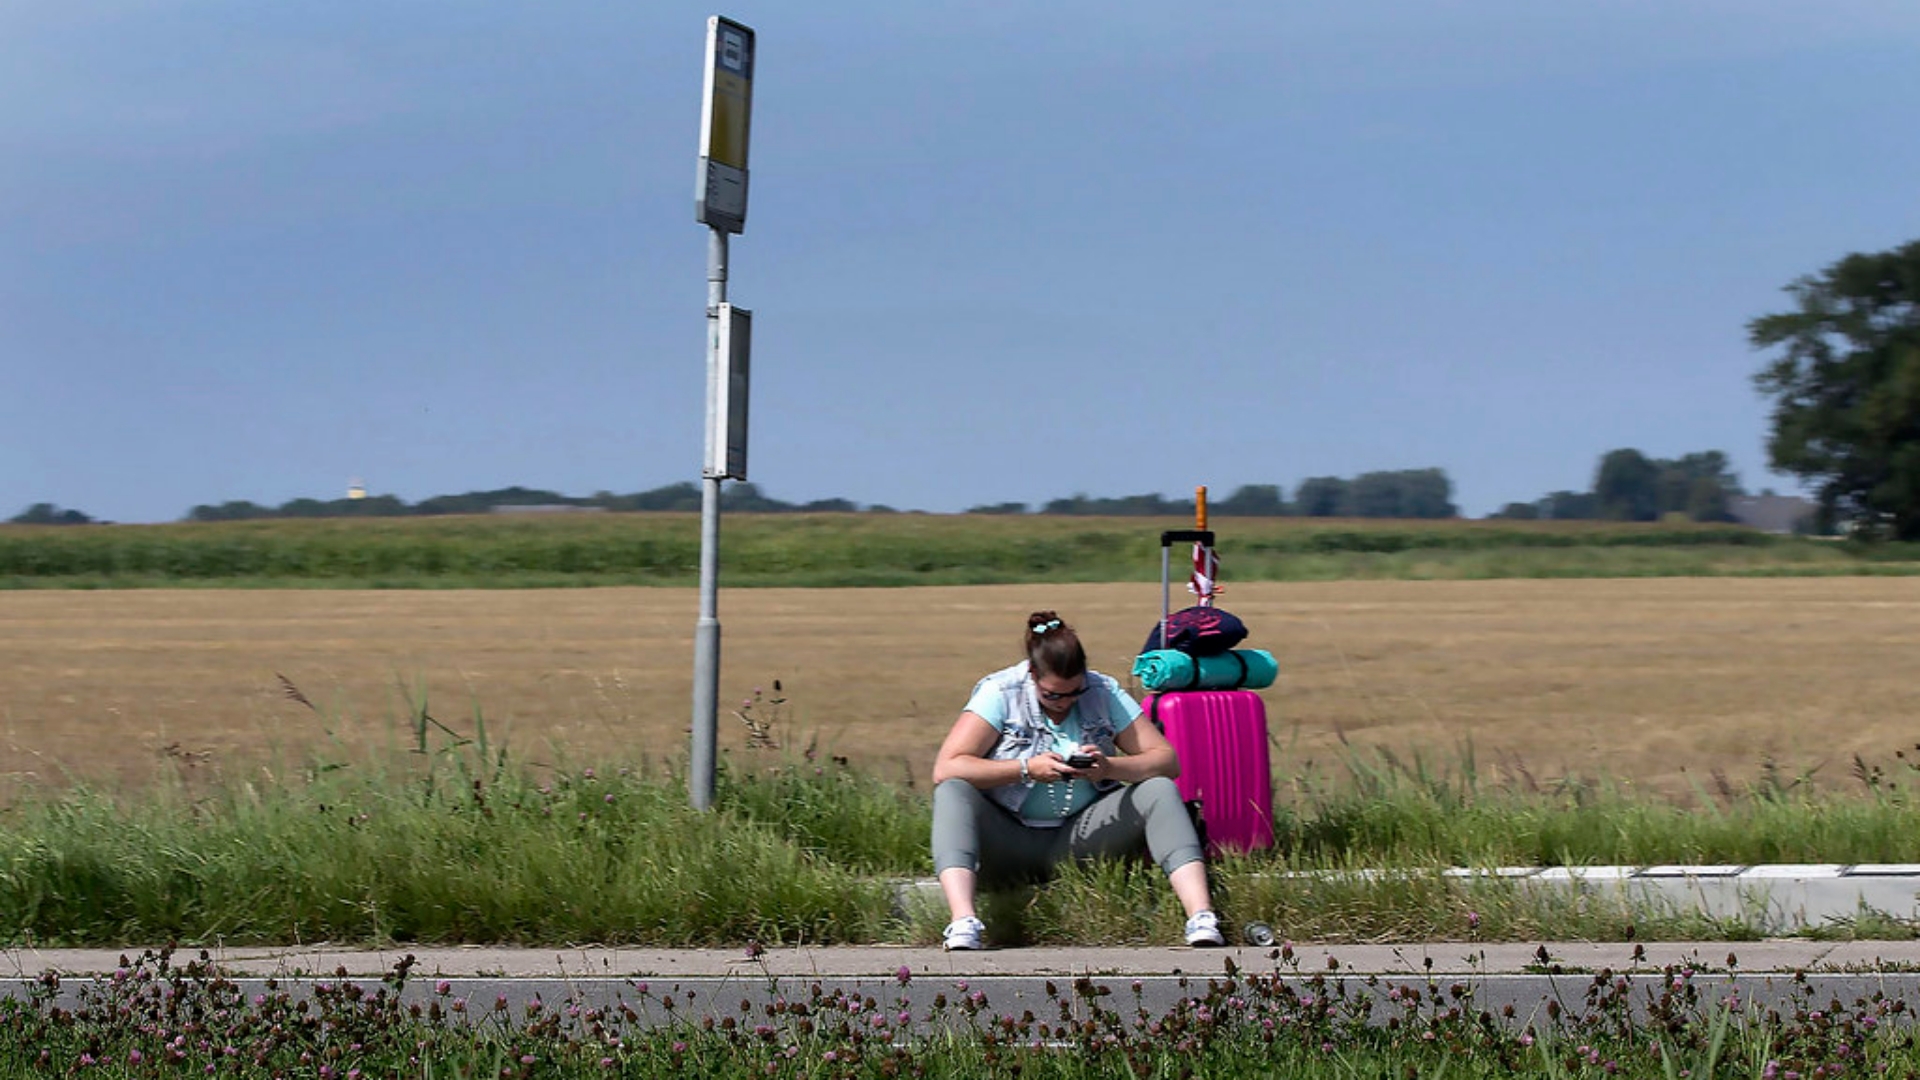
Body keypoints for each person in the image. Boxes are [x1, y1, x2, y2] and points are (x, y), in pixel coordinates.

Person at [930, 610, 1226, 949]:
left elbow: (1167, 761)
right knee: (952, 791)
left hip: (1081, 838)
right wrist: (1025, 768)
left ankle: (1201, 915)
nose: (1065, 703)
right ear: (1032, 675)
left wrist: (1109, 767)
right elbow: (946, 767)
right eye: (1053, 695)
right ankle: (963, 921)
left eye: (1075, 692)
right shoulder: (1000, 692)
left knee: (1159, 788)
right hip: (1009, 837)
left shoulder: (1103, 691)